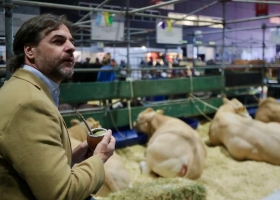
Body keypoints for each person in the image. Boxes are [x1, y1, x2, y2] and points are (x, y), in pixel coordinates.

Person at [0, 14, 115, 200]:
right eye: (58, 41)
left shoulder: (26, 88)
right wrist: (99, 158)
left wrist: (71, 157)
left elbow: (29, 163)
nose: (71, 47)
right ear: (30, 51)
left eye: (71, 41)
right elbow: (62, 194)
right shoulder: (30, 103)